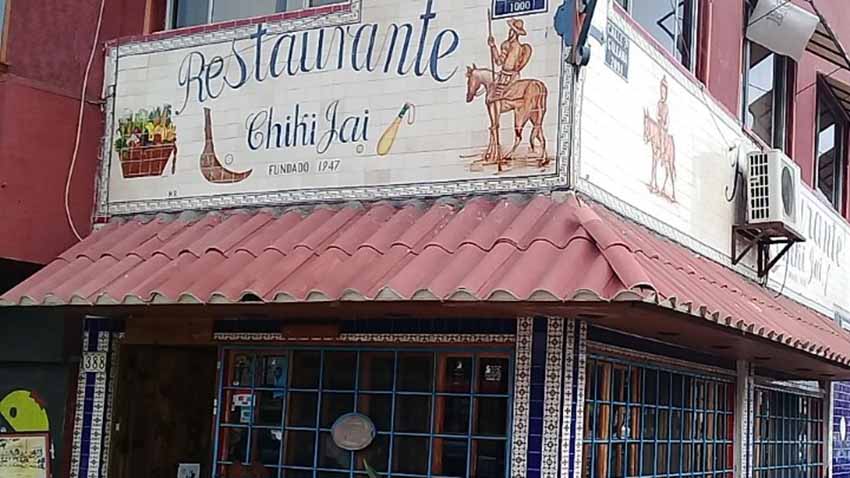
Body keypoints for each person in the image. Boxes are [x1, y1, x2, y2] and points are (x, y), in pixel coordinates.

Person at [487, 19, 531, 102]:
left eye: (513, 31)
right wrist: (493, 47)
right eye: (510, 30)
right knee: (491, 95)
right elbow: (499, 61)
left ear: (516, 33)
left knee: (502, 98)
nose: (510, 32)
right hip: (503, 76)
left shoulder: (519, 48)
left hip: (512, 77)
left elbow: (517, 64)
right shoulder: (505, 44)